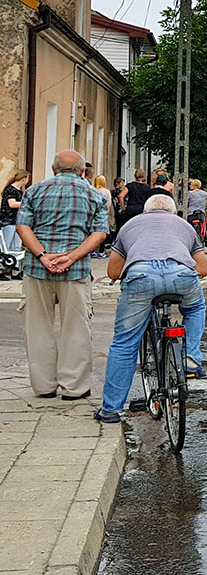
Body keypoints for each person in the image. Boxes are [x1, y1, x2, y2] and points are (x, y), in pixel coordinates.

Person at [94, 193, 207, 424]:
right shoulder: (184, 226)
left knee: (125, 343)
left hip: (141, 277)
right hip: (182, 275)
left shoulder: (130, 225)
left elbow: (112, 272)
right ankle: (191, 357)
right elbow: (203, 269)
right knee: (196, 307)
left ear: (145, 211)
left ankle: (110, 410)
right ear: (173, 211)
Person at [15, 151, 108, 399]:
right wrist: (72, 256)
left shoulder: (34, 191)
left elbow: (22, 226)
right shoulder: (94, 194)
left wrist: (43, 255)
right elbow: (99, 234)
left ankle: (44, 386)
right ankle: (74, 388)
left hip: (37, 270)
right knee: (76, 329)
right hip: (75, 271)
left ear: (54, 169)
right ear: (81, 171)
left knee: (37, 328)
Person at [1, 169, 29, 255]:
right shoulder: (10, 190)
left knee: (16, 246)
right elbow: (12, 204)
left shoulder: (20, 192)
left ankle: (14, 266)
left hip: (17, 222)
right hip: (8, 221)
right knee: (6, 246)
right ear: (24, 179)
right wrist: (26, 203)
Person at [92, 175, 114, 259]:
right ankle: (101, 251)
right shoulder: (106, 191)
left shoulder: (93, 190)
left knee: (93, 231)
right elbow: (109, 203)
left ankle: (93, 251)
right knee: (102, 231)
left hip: (94, 213)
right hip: (104, 214)